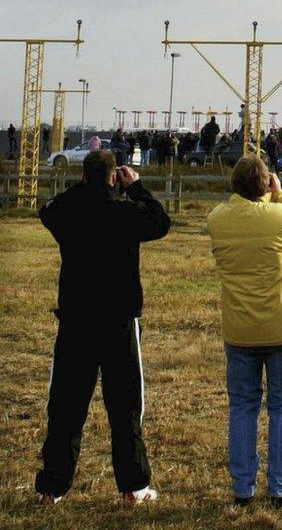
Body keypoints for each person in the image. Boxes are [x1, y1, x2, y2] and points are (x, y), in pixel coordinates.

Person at [34, 152, 171, 505]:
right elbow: (161, 222)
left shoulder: (69, 211)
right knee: (125, 407)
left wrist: (83, 188)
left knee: (65, 405)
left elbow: (47, 209)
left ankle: (52, 487)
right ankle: (133, 485)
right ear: (115, 177)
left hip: (76, 319)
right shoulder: (124, 213)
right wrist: (136, 188)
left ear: (83, 176)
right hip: (119, 319)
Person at [207, 156, 282, 508]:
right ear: (266, 184)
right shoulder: (280, 217)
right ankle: (279, 488)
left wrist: (264, 198)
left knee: (242, 406)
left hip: (240, 327)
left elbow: (247, 216)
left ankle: (243, 489)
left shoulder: (217, 220)